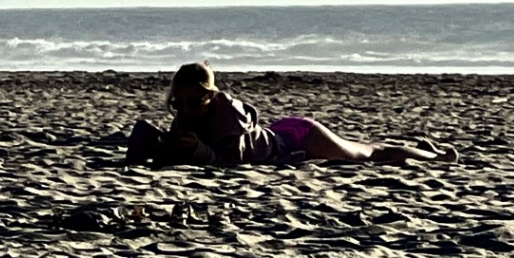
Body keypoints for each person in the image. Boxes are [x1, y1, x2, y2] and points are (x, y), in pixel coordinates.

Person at [163, 61, 455, 166]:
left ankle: (438, 157)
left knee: (366, 154)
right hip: (280, 134)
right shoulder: (186, 113)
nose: (185, 109)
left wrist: (198, 150)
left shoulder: (228, 114)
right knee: (366, 149)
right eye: (179, 103)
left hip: (300, 138)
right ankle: (421, 149)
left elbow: (232, 160)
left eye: (192, 102)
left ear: (210, 96)